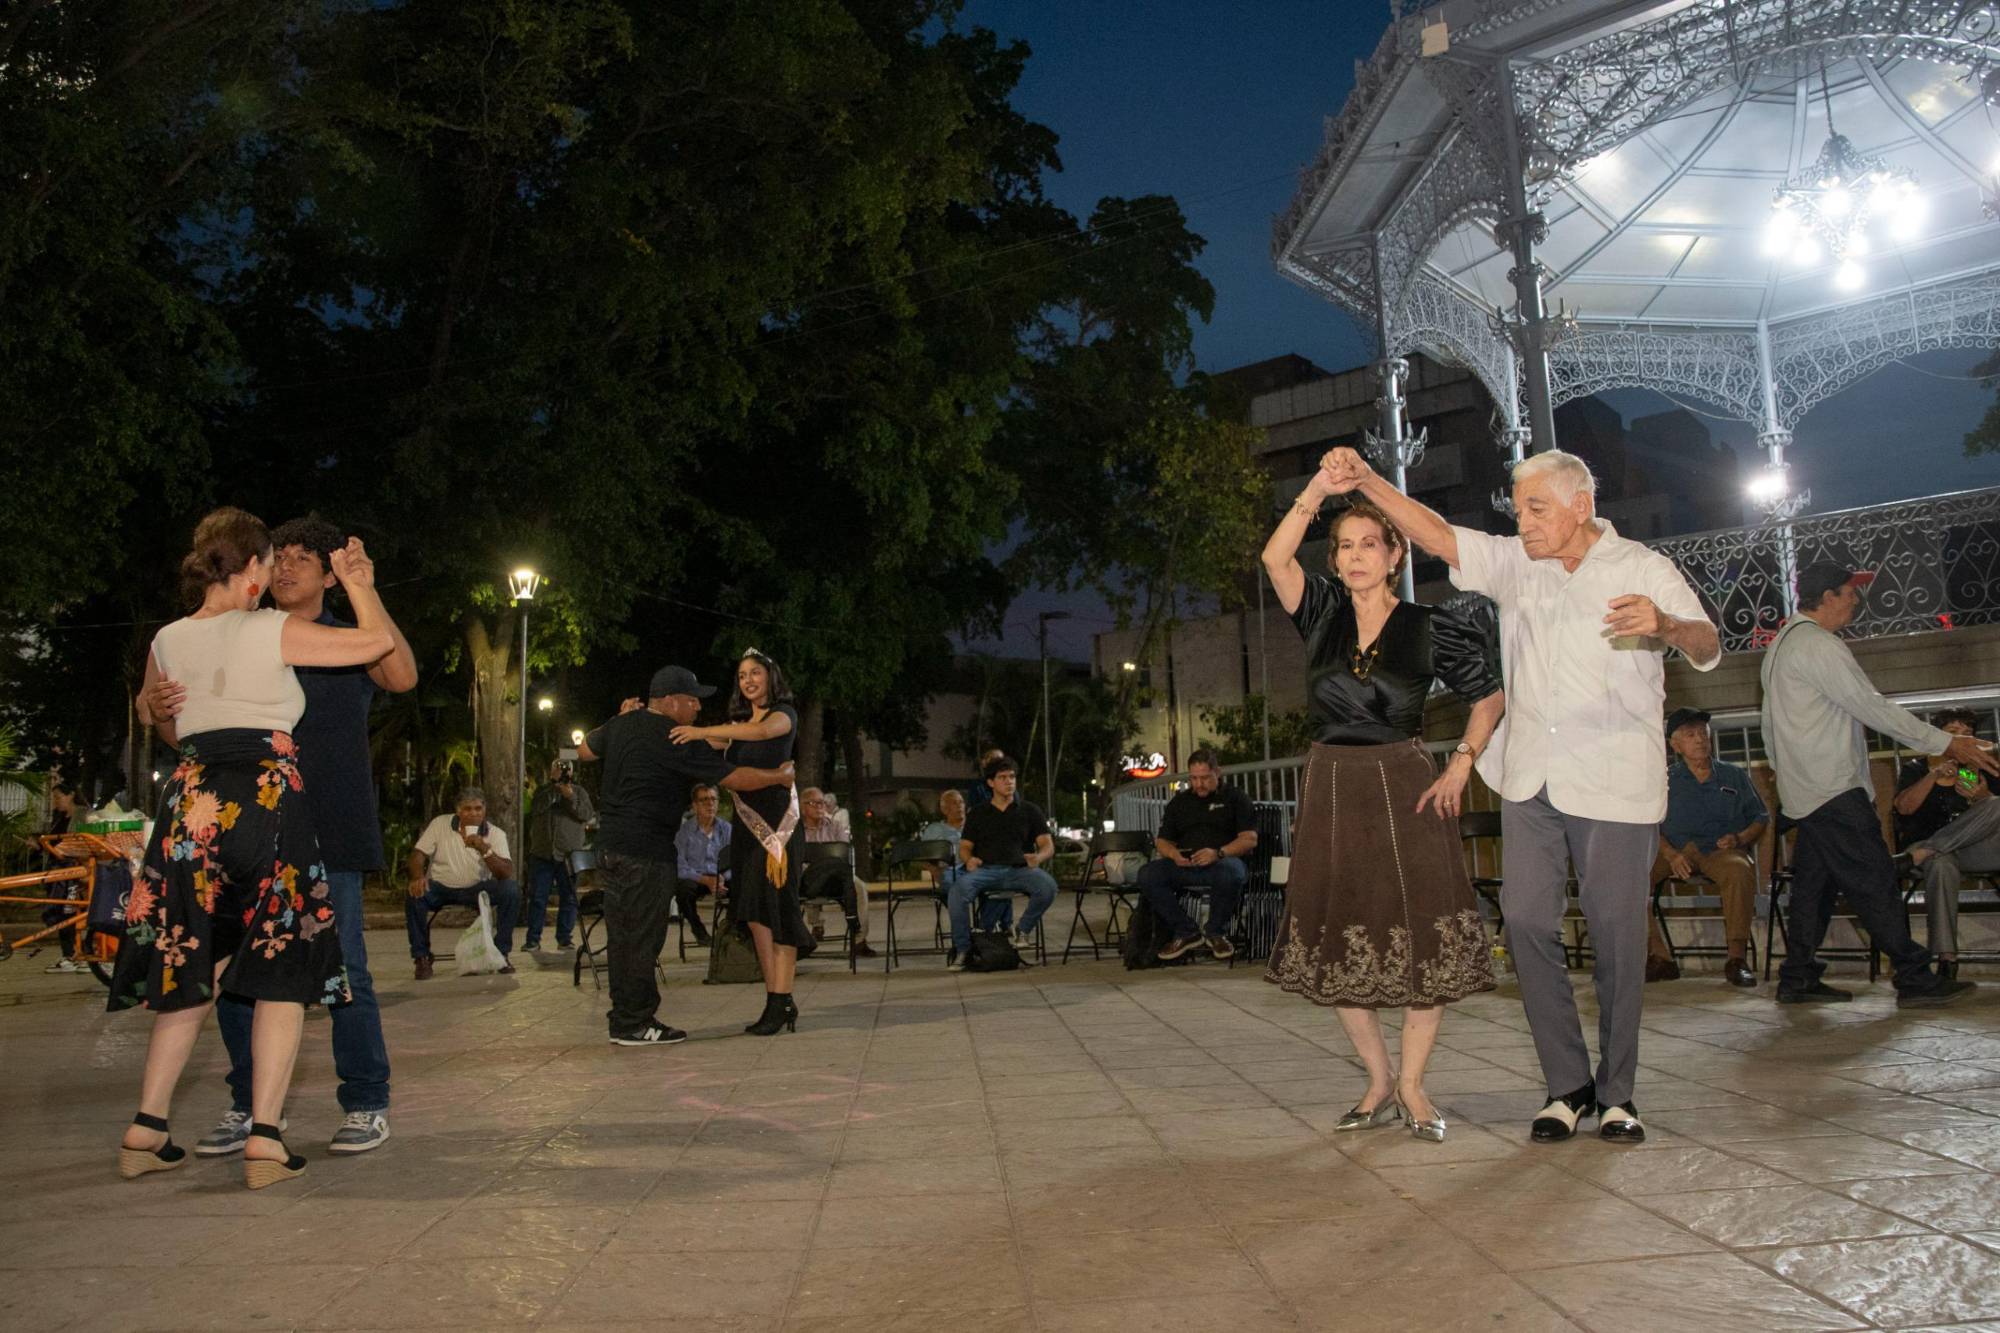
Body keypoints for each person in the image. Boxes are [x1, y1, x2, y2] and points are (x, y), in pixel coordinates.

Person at [1322, 444, 1721, 1147]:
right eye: (1518, 507)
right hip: (1531, 775)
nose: (1524, 520)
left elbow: (1707, 642)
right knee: (1528, 920)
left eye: (1537, 507)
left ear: (1580, 505)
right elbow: (1437, 534)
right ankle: (1567, 1086)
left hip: (1615, 780)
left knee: (1617, 940)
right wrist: (1369, 482)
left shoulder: (1643, 569)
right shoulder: (1517, 563)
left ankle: (1618, 1093)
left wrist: (1662, 623)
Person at [118, 507, 392, 1188]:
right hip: (266, 799)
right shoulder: (273, 629)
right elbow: (375, 644)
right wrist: (357, 583)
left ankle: (146, 1128)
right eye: (269, 563)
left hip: (191, 804)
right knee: (280, 964)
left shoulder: (167, 638)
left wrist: (160, 712)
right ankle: (265, 1136)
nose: (274, 575)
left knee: (193, 961)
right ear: (247, 571)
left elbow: (176, 725)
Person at [1260, 481, 1505, 1145]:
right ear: (1335, 560)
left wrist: (1463, 762)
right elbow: (1275, 559)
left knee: (1423, 935)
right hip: (1333, 786)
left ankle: (1414, 1084)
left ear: (1395, 554)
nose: (1356, 555)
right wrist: (1315, 490)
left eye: (1370, 543)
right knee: (1342, 939)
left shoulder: (1430, 626)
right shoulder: (1319, 615)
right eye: (1345, 547)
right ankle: (1377, 1080)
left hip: (1405, 784)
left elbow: (1489, 696)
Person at [1761, 564, 1994, 1006]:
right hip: (1832, 788)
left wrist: (1788, 783)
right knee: (1875, 879)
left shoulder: (1782, 647)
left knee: (1814, 886)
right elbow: (1872, 708)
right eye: (1849, 592)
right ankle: (1913, 975)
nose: (1856, 600)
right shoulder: (1819, 646)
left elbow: (1772, 731)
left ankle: (1798, 977)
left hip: (1806, 790)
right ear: (1826, 597)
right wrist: (1947, 742)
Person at [580, 667, 795, 1044]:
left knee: (623, 936)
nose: (697, 707)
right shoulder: (676, 738)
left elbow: (584, 751)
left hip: (610, 848)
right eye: (692, 699)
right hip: (645, 851)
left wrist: (619, 716)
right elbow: (735, 778)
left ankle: (624, 1018)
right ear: (670, 701)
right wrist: (777, 778)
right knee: (642, 939)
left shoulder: (622, 723)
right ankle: (634, 1022)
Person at [667, 650, 809, 1035]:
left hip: (779, 830)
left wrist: (704, 731)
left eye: (755, 673)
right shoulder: (736, 724)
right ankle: (776, 999)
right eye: (742, 675)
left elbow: (762, 733)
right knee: (755, 915)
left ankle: (781, 998)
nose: (748, 680)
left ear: (770, 676)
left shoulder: (785, 714)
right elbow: (697, 745)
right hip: (747, 830)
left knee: (778, 910)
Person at [1644, 708, 1767, 988]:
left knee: (1739, 870)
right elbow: (1649, 822)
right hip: (1675, 851)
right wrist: (1670, 854)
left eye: (1702, 733)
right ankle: (1660, 957)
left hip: (1719, 849)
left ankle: (1737, 958)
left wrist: (1739, 838)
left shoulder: (1733, 775)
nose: (1699, 739)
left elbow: (1760, 817)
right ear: (1676, 745)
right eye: (1690, 735)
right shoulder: (1665, 780)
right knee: (1630, 881)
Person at [1899, 709, 1999, 982]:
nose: (1962, 740)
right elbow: (1904, 809)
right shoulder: (1918, 768)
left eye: (1968, 734)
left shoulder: (1973, 769)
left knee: (1996, 803)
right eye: (1954, 734)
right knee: (1941, 864)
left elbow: (1985, 817)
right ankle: (1947, 961)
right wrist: (1932, 776)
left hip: (1962, 850)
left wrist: (1983, 795)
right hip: (1933, 850)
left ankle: (1925, 852)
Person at [1136, 749, 1257, 961]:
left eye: (1205, 778)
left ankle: (1215, 931)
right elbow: (1162, 841)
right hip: (1186, 865)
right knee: (1148, 874)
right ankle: (1186, 931)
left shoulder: (1235, 798)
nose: (1199, 784)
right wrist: (1174, 854)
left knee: (1232, 872)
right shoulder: (1180, 802)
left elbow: (1249, 839)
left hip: (1220, 863)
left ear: (1217, 773)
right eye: (1194, 778)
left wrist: (1219, 853)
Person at [950, 755, 1058, 970]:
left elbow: (1048, 845)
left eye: (1012, 777)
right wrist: (968, 860)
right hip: (986, 870)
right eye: (1002, 777)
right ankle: (963, 950)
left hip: (1018, 870)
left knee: (1048, 887)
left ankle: (1023, 930)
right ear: (990, 783)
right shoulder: (978, 813)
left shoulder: (1029, 810)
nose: (1009, 781)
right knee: (957, 892)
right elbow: (964, 847)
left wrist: (1038, 857)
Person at [524, 759, 595, 952]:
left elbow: (586, 815)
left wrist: (570, 797)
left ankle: (564, 939)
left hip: (568, 855)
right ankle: (532, 940)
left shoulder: (579, 792)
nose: (562, 773)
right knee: (538, 897)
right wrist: (555, 788)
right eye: (558, 769)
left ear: (572, 772)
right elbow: (536, 809)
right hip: (542, 853)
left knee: (569, 897)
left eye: (565, 770)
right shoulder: (542, 791)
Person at [801, 787, 876, 958]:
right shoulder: (796, 830)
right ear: (803, 807)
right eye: (815, 803)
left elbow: (843, 854)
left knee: (859, 887)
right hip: (808, 879)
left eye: (822, 802)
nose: (820, 806)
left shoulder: (835, 826)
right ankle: (801, 936)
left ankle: (859, 939)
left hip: (834, 877)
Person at [672, 783, 731, 947]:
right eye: (704, 800)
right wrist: (704, 879)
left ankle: (732, 932)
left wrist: (721, 879)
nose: (710, 804)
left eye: (713, 799)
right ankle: (699, 931)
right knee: (682, 890)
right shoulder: (684, 831)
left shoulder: (727, 829)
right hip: (696, 877)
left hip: (721, 876)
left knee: (744, 887)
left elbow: (736, 862)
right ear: (695, 805)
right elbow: (679, 866)